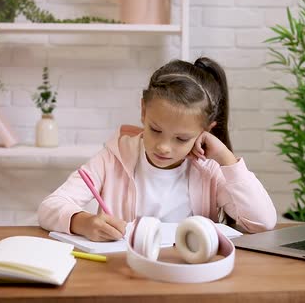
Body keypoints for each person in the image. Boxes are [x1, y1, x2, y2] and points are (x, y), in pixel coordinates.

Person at [38, 57, 277, 241]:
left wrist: (226, 158)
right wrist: (84, 222)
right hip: (127, 273)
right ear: (143, 111)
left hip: (191, 276)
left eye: (181, 138)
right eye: (155, 130)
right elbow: (50, 206)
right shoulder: (113, 158)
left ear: (205, 130)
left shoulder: (209, 169)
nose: (164, 147)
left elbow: (262, 222)